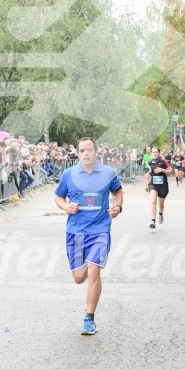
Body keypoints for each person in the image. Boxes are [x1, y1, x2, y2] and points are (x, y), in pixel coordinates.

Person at [54, 137, 123, 336]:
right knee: (78, 278)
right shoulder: (69, 174)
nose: (85, 153)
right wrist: (67, 206)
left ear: (96, 152)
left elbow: (118, 192)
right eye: (82, 150)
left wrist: (118, 207)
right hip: (75, 231)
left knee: (94, 270)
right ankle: (85, 270)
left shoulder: (108, 173)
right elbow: (58, 197)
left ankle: (89, 318)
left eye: (89, 150)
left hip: (100, 229)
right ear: (78, 153)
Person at [144, 147, 172, 229]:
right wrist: (148, 174)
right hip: (153, 184)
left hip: (163, 185)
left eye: (156, 152)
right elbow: (151, 171)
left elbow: (170, 171)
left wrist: (162, 170)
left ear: (159, 153)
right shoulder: (150, 162)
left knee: (160, 204)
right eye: (153, 152)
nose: (155, 153)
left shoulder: (163, 161)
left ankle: (160, 214)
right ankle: (153, 221)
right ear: (151, 153)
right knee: (153, 201)